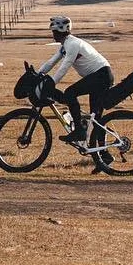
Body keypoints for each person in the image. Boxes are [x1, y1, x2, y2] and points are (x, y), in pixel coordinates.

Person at [36, 14, 113, 166]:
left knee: (70, 92)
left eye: (54, 32)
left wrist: (52, 83)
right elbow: (51, 62)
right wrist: (38, 74)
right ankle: (104, 157)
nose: (52, 35)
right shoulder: (65, 45)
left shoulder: (72, 44)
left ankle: (79, 130)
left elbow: (65, 66)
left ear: (61, 31)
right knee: (96, 119)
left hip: (101, 75)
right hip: (99, 76)